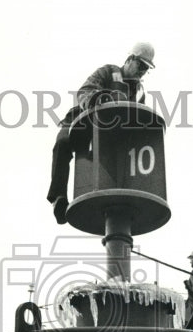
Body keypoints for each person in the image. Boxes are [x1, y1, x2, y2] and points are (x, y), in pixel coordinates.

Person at [47, 42, 156, 224]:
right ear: (130, 60)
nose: (142, 72)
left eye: (146, 69)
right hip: (85, 121)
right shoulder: (108, 72)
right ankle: (58, 197)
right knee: (63, 143)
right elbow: (86, 90)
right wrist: (95, 99)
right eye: (140, 66)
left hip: (112, 134)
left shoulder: (139, 93)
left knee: (116, 162)